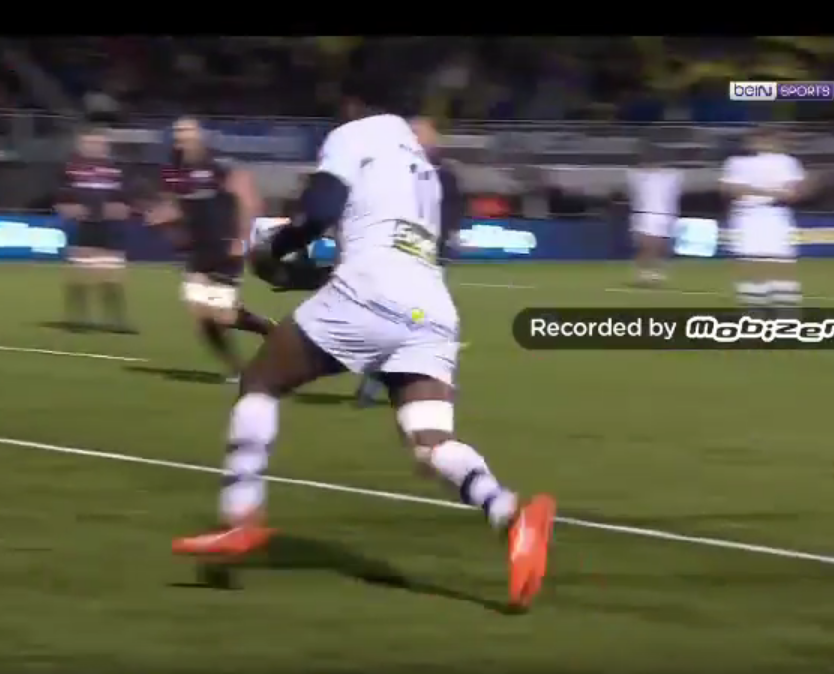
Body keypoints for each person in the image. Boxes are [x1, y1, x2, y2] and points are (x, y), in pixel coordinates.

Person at [171, 76, 556, 609]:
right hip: (431, 308)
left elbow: (319, 212)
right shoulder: (423, 166)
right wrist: (312, 272)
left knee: (261, 380)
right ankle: (509, 514)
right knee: (430, 441)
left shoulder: (355, 136)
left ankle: (241, 516)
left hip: (372, 294)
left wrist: (272, 251)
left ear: (353, 103)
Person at [148, 117, 275, 382]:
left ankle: (267, 329)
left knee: (223, 316)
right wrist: (164, 219)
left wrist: (242, 238)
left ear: (199, 135)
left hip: (225, 245)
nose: (182, 136)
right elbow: (178, 206)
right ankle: (237, 368)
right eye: (178, 132)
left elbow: (248, 199)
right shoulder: (172, 170)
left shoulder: (216, 164)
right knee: (200, 312)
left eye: (187, 131)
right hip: (199, 249)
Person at [354, 116, 464, 407]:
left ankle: (416, 381)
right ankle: (379, 382)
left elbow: (452, 210)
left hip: (429, 258)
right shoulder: (391, 171)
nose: (418, 140)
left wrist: (447, 237)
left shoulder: (444, 176)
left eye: (422, 135)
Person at [719, 127, 808, 313]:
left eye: (768, 139)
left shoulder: (787, 162)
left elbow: (795, 191)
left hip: (776, 215)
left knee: (782, 263)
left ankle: (785, 311)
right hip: (747, 215)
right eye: (760, 139)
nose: (764, 143)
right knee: (750, 263)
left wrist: (753, 190)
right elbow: (729, 189)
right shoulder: (736, 162)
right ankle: (755, 311)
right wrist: (771, 191)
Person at [56, 128, 135, 333]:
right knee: (79, 275)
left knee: (112, 276)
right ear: (80, 145)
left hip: (110, 227)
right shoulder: (70, 170)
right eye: (89, 143)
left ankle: (117, 322)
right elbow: (60, 200)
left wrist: (122, 209)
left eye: (98, 143)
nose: (94, 147)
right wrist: (69, 210)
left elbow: (126, 199)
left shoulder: (117, 170)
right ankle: (77, 320)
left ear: (106, 146)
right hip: (82, 226)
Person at [626, 141, 682, 286]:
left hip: (665, 215)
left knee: (662, 246)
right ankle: (642, 273)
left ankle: (656, 272)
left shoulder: (671, 176)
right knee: (648, 245)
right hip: (645, 214)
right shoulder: (637, 176)